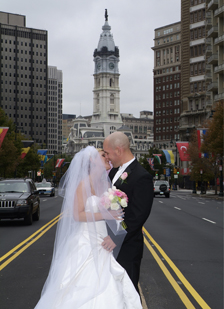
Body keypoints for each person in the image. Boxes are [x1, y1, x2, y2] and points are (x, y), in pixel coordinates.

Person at [34, 146, 142, 309]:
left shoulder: (107, 184)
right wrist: (105, 215)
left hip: (103, 241)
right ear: (93, 162)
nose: (107, 157)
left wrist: (118, 227)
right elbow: (78, 215)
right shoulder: (83, 184)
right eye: (103, 155)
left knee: (110, 282)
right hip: (85, 241)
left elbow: (113, 215)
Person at [103, 132, 154, 293]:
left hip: (127, 247)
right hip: (107, 244)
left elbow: (138, 216)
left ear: (118, 150)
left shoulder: (141, 176)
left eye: (108, 153)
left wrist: (116, 237)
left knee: (128, 291)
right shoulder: (113, 172)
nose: (107, 157)